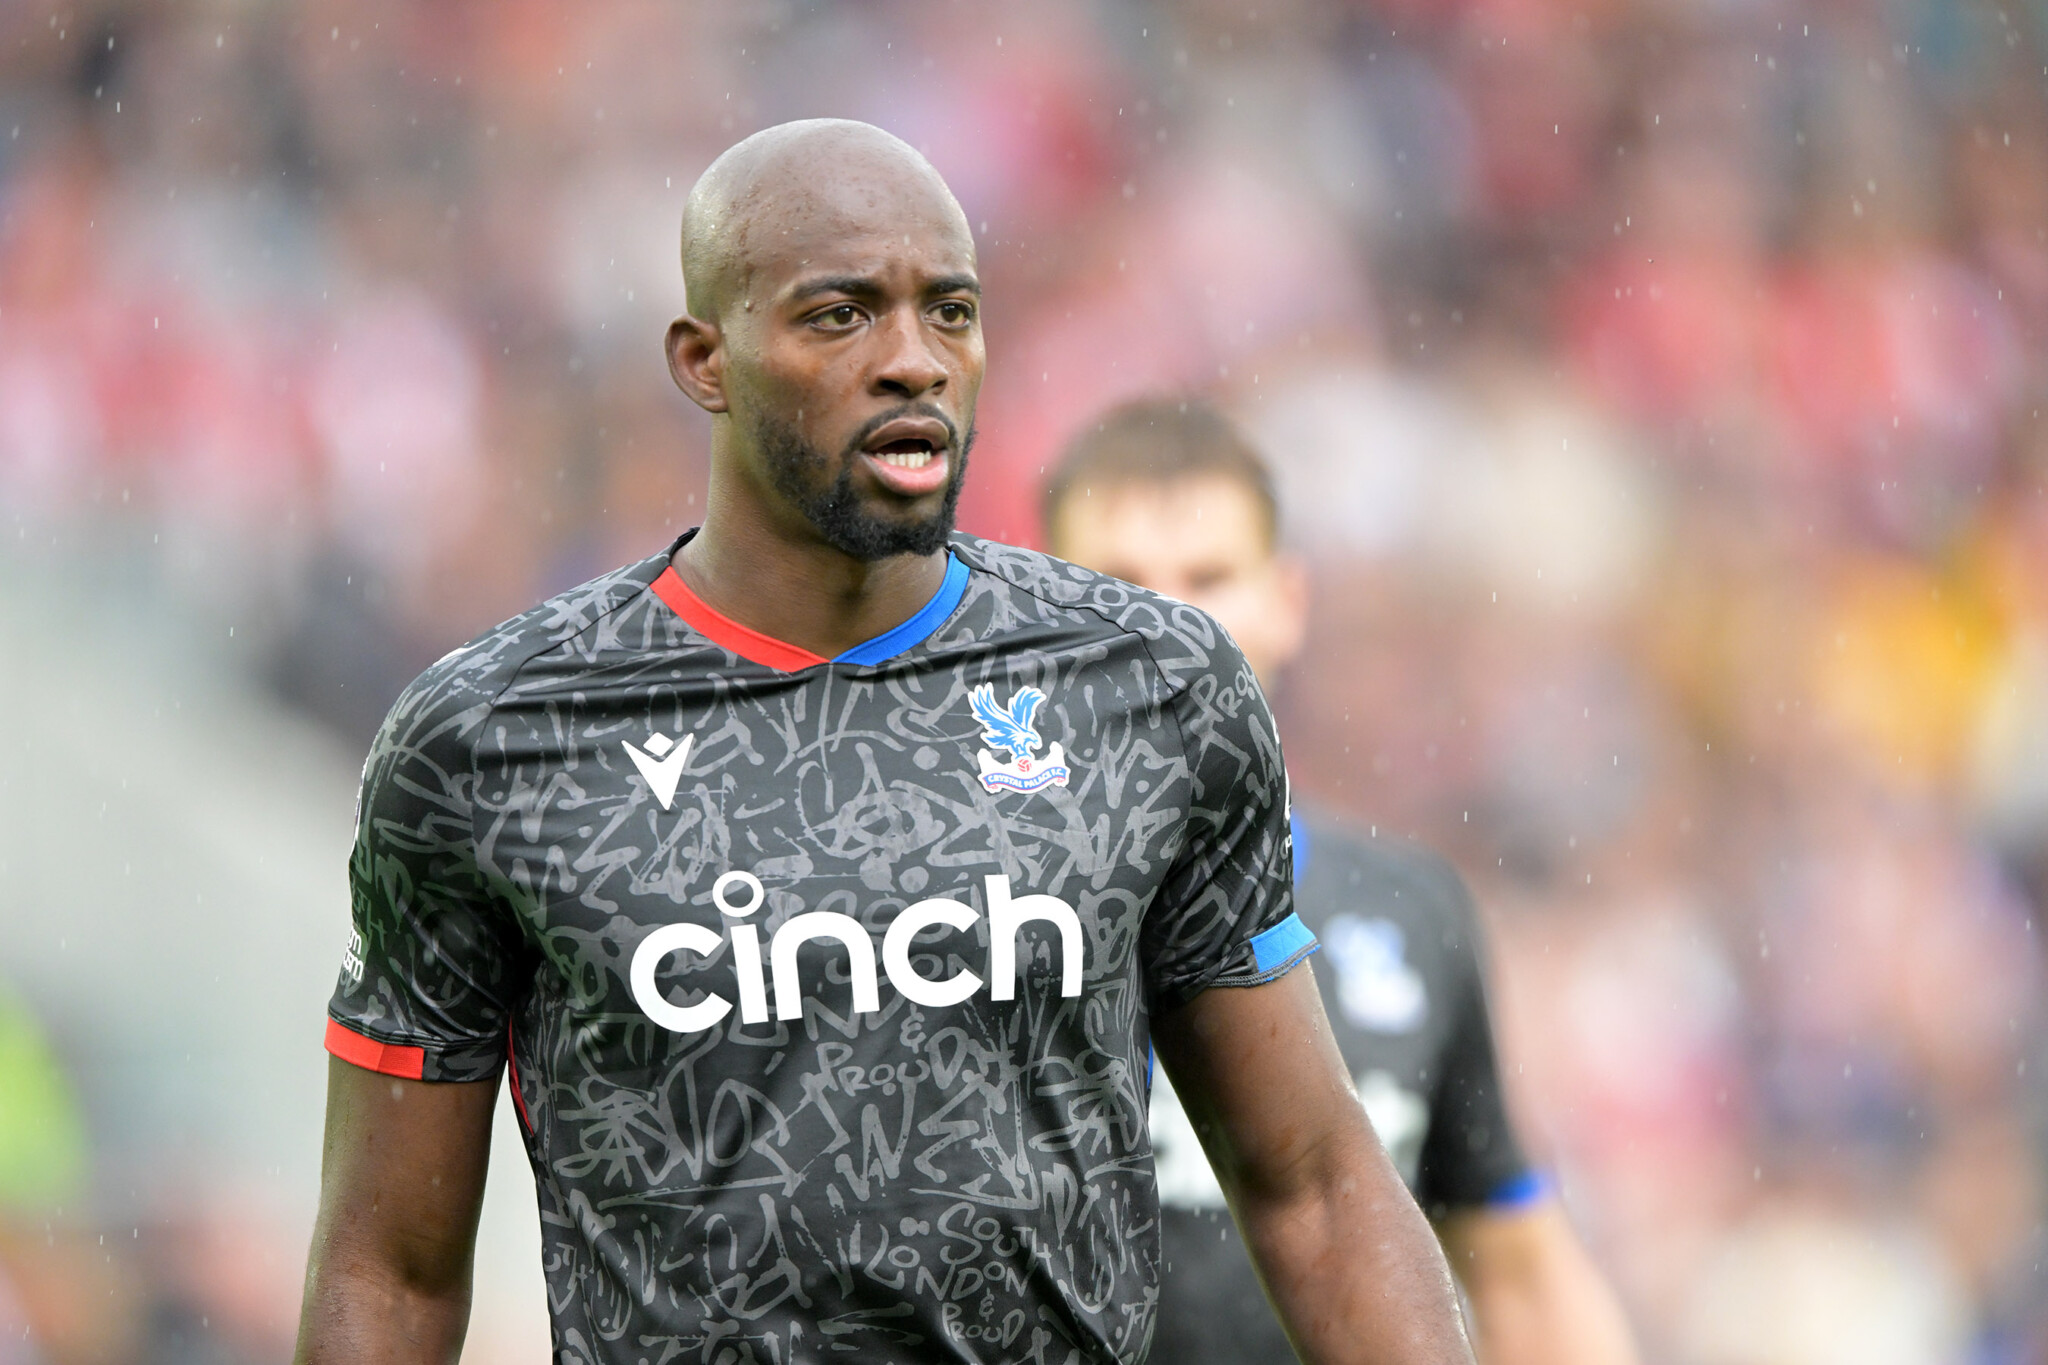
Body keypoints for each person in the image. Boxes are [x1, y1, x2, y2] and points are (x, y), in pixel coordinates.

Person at [292, 120, 1475, 1365]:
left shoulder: (1150, 688)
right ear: (704, 360)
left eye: (949, 313)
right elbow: (391, 1268)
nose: (912, 361)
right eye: (840, 315)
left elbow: (1316, 1188)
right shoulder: (492, 741)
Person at [1044, 398, 1642, 1365]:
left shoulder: (1411, 913)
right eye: (1118, 583)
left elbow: (1519, 1274)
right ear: (1033, 616)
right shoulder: (969, 910)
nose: (1167, 624)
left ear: (1288, 601)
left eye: (1209, 579)